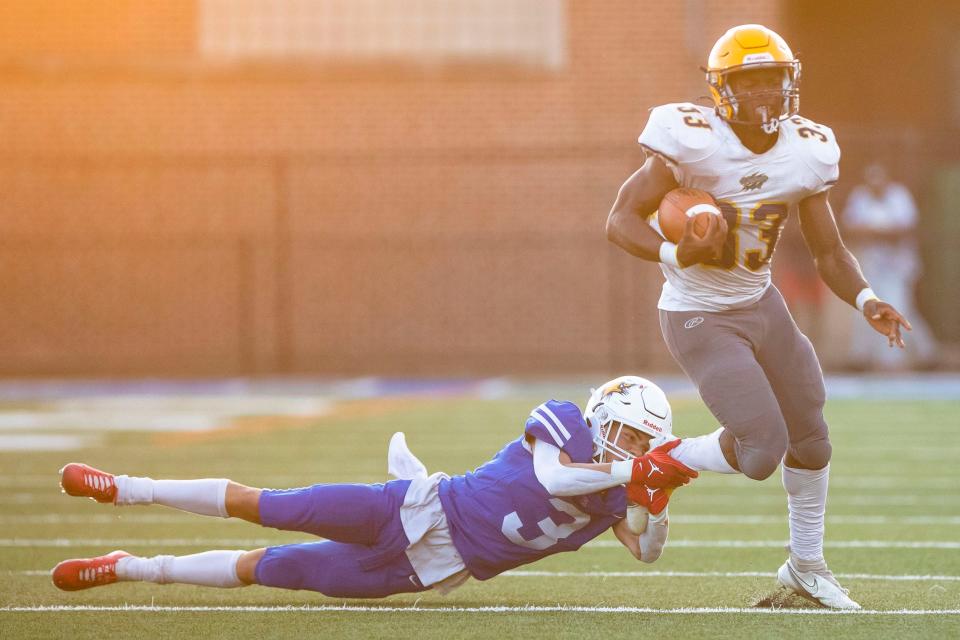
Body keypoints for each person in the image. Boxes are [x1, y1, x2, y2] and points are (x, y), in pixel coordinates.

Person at [605, 24, 912, 610]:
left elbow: (828, 250)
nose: (766, 94)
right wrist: (676, 252)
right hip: (700, 313)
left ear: (791, 81)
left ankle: (807, 567)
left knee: (813, 439)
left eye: (774, 80)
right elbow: (620, 219)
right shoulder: (692, 141)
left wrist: (868, 299)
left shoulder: (807, 149)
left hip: (761, 303)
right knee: (761, 451)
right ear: (724, 89)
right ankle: (659, 462)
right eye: (751, 82)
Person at [52, 377, 702, 598]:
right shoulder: (564, 423)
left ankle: (130, 567)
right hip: (416, 506)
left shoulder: (623, 485)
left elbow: (645, 552)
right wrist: (635, 473)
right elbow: (557, 477)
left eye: (646, 447)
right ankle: (126, 488)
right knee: (270, 506)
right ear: (607, 421)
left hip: (433, 567)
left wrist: (657, 503)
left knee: (274, 570)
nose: (639, 453)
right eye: (635, 439)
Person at [843, 163, 939, 370]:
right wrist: (881, 233)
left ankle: (893, 360)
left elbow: (904, 230)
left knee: (898, 307)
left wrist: (873, 232)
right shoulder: (860, 196)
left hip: (898, 266)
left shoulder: (899, 195)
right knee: (867, 309)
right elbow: (850, 228)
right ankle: (862, 356)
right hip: (871, 265)